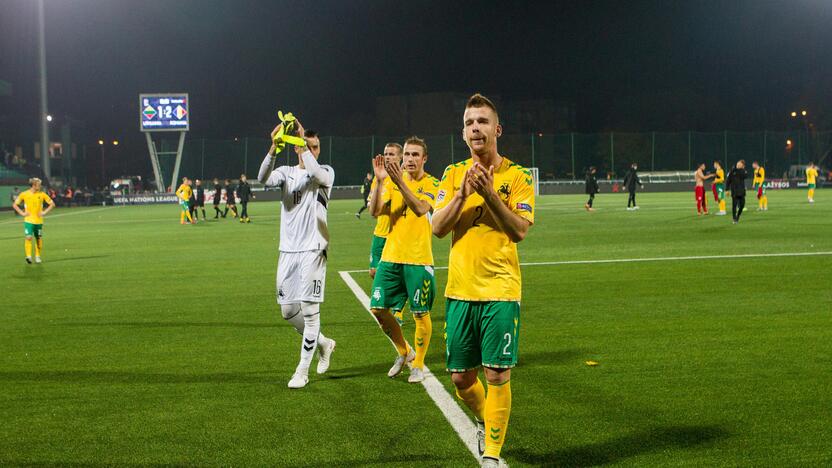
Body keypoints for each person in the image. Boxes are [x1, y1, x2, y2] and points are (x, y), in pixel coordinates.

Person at [432, 94, 534, 466]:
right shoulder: (451, 174)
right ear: (463, 133)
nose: (476, 128)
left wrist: (490, 194)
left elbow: (519, 230)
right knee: (461, 379)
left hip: (501, 290)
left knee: (497, 371)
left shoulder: (518, 177)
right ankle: (483, 418)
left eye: (483, 121)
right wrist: (462, 195)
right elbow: (438, 228)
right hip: (460, 291)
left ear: (497, 129)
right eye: (470, 122)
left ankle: (492, 455)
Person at [258, 121, 336, 389]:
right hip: (288, 250)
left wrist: (301, 145)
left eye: (315, 147)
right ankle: (324, 343)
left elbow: (317, 174)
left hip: (314, 249)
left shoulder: (325, 171)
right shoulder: (287, 172)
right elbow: (262, 178)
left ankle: (302, 371)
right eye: (308, 146)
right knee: (288, 311)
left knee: (310, 311)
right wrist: (274, 147)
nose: (312, 151)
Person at [368, 137, 438, 384]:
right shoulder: (389, 182)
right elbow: (375, 211)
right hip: (390, 256)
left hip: (419, 259)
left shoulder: (433, 183)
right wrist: (378, 182)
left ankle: (418, 363)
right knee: (377, 308)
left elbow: (421, 208)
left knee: (420, 313)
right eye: (407, 154)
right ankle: (404, 351)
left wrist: (399, 182)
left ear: (424, 158)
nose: (409, 159)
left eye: (415, 155)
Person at [13, 178, 55, 263]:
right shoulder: (24, 194)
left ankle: (37, 256)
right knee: (28, 237)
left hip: (38, 221)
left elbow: (52, 204)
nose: (40, 186)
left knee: (38, 238)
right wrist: (22, 213)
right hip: (28, 220)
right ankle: (28, 256)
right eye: (39, 184)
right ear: (33, 185)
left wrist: (44, 212)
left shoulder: (42, 194)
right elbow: (15, 204)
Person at [726, 160, 748, 224]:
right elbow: (728, 181)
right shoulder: (732, 171)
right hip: (734, 191)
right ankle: (734, 218)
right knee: (734, 205)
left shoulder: (743, 171)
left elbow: (745, 176)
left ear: (742, 165)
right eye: (737, 163)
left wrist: (742, 169)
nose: (738, 164)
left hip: (741, 191)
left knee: (742, 205)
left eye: (739, 164)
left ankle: (738, 216)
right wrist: (727, 189)